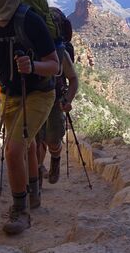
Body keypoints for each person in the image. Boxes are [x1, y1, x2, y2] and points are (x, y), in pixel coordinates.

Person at [0, 0, 59, 235]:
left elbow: (55, 66)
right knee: (25, 146)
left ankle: (20, 211)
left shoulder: (30, 22)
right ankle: (33, 193)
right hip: (10, 94)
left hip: (39, 93)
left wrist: (32, 65)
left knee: (13, 149)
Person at [36, 45, 78, 184]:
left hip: (56, 100)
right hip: (33, 99)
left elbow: (73, 79)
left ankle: (55, 159)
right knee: (38, 140)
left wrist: (67, 99)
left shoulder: (60, 52)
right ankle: (37, 174)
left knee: (53, 139)